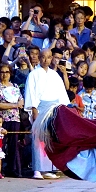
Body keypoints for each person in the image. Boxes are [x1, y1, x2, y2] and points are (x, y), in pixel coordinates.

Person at [24, 49, 70, 180]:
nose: (46, 60)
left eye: (49, 57)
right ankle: (37, 169)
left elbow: (61, 95)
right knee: (38, 139)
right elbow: (31, 93)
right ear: (39, 58)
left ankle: (48, 169)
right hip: (40, 107)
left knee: (50, 139)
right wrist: (34, 111)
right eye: (43, 57)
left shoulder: (55, 75)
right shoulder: (33, 74)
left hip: (54, 108)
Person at [0, 64, 24, 178]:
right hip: (2, 119)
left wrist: (17, 104)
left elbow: (21, 100)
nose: (5, 74)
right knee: (1, 143)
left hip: (15, 119)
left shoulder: (15, 86)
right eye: (2, 72)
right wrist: (14, 105)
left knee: (13, 144)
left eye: (7, 72)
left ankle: (13, 168)